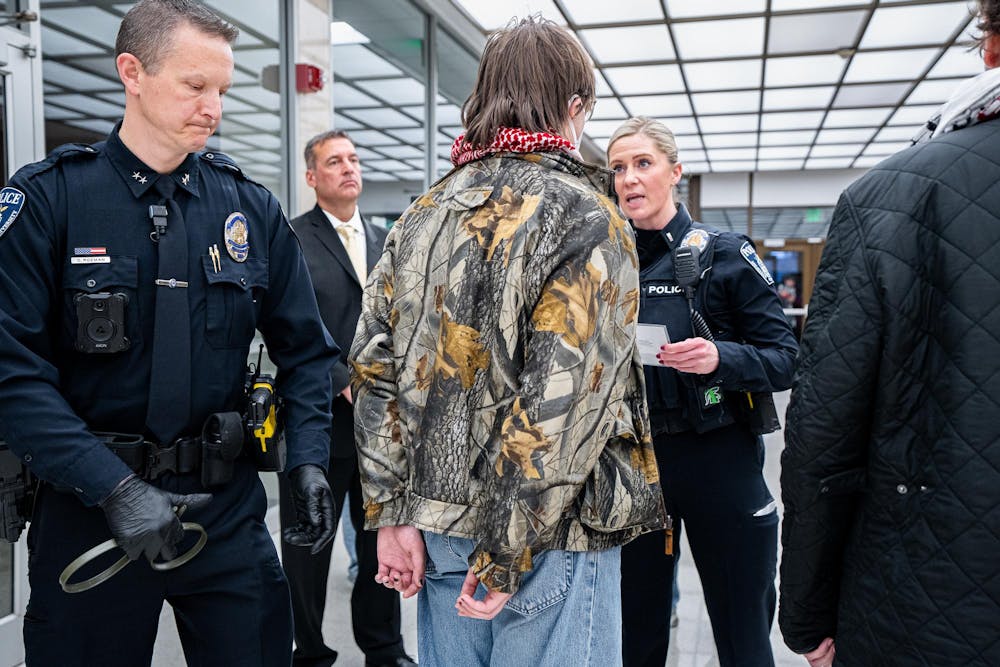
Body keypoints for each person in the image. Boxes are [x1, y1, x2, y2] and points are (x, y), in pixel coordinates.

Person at [0, 1, 339, 664]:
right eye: (194, 86)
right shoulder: (50, 200)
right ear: (132, 71)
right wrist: (114, 487)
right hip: (89, 508)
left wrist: (307, 462)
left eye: (222, 90)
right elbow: (11, 371)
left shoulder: (249, 208)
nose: (213, 107)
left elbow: (306, 351)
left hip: (225, 509)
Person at [350, 17, 667, 667]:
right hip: (546, 533)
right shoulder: (582, 212)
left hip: (438, 523)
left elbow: (371, 367)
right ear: (573, 107)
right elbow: (566, 397)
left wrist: (391, 515)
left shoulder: (423, 213)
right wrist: (503, 552)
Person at [779, 2, 1000, 665]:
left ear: (990, 48)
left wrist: (808, 613)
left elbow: (824, 428)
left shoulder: (893, 198)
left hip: (923, 596)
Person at [607, 117, 798, 667]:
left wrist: (722, 358)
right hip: (637, 467)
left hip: (721, 459)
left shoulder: (724, 253)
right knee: (634, 638)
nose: (629, 179)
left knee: (743, 636)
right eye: (618, 168)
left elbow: (787, 358)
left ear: (675, 172)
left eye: (643, 163)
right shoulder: (605, 266)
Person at [278, 130, 415, 667]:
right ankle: (309, 653)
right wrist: (343, 378)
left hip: (384, 429)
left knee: (382, 539)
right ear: (312, 177)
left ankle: (385, 649)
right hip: (319, 421)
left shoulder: (391, 239)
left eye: (354, 159)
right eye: (335, 161)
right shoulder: (291, 238)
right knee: (307, 550)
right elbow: (288, 328)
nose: (348, 168)